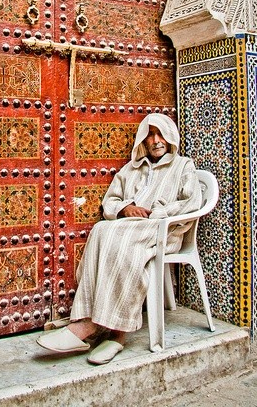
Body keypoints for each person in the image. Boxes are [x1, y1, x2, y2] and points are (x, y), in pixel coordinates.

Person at [37, 113, 202, 365]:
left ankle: (113, 334)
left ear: (170, 137)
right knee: (102, 230)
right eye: (150, 136)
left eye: (160, 135)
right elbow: (110, 201)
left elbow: (191, 202)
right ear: (143, 142)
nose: (156, 141)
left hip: (162, 230)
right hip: (130, 226)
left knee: (123, 242)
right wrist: (126, 208)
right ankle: (88, 319)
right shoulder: (131, 169)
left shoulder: (183, 166)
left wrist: (158, 213)